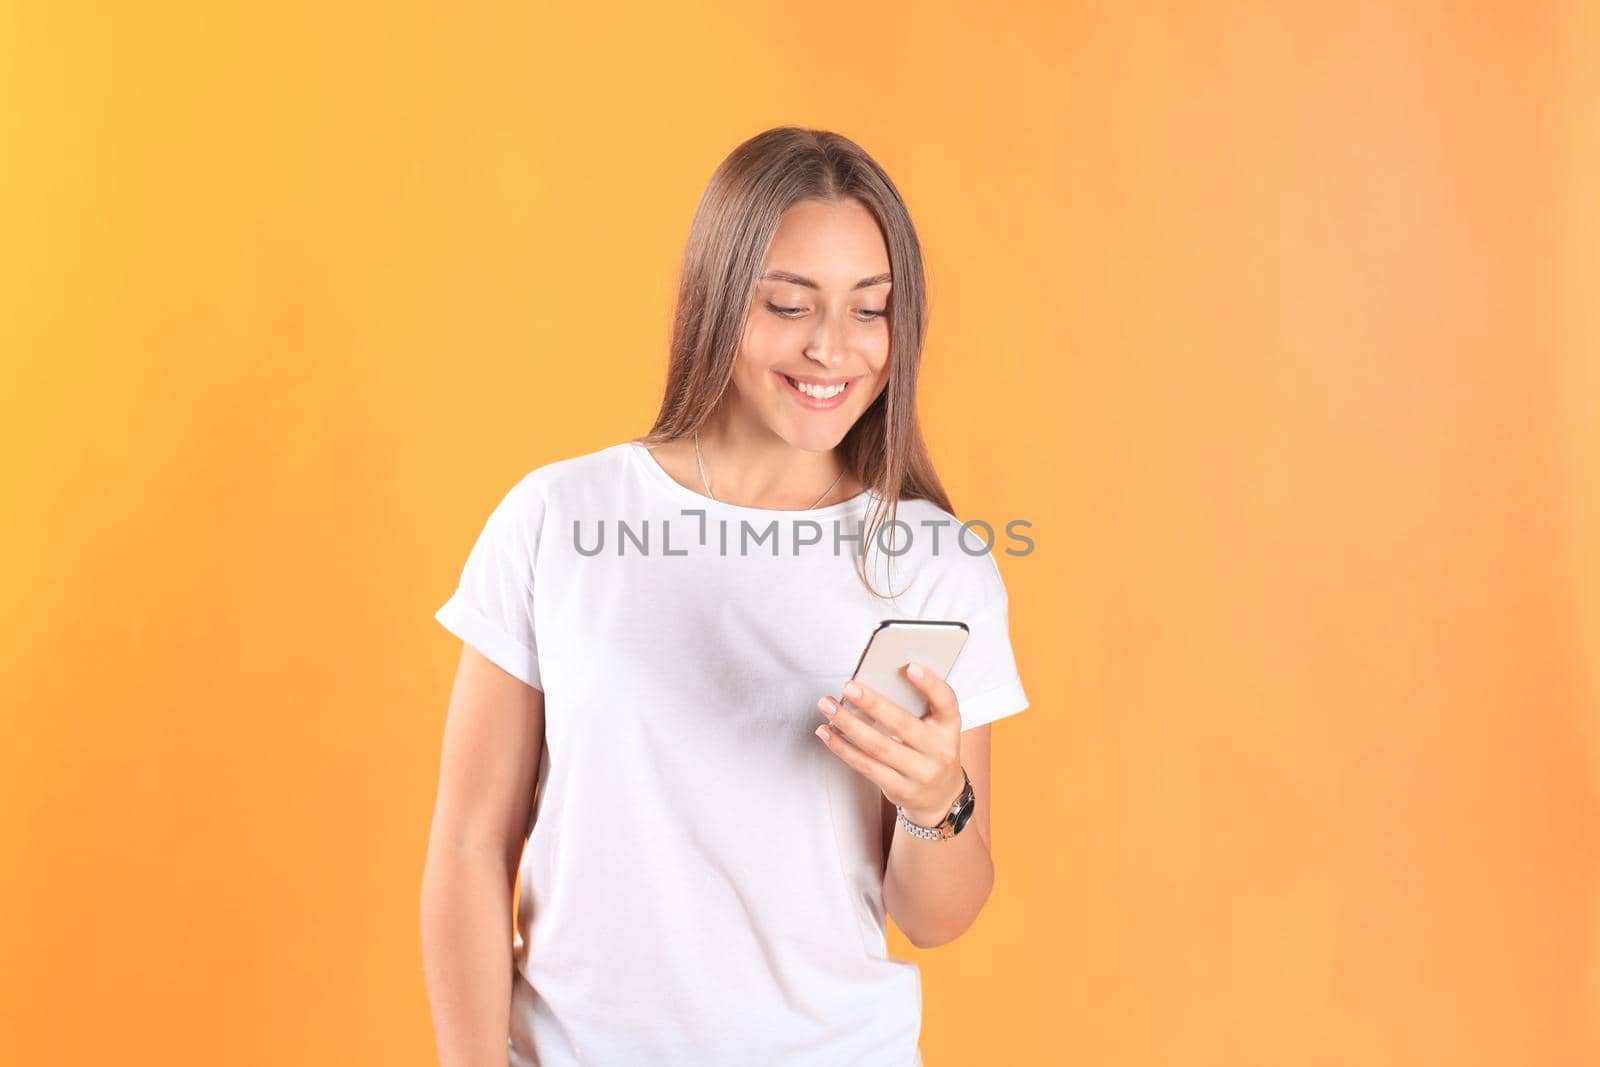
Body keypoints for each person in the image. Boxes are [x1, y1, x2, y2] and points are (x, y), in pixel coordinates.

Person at [420, 126, 1030, 1067]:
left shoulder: (936, 564)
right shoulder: (560, 516)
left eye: (871, 311)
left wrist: (935, 799)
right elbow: (467, 845)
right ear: (717, 299)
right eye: (790, 305)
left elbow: (937, 916)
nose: (834, 349)